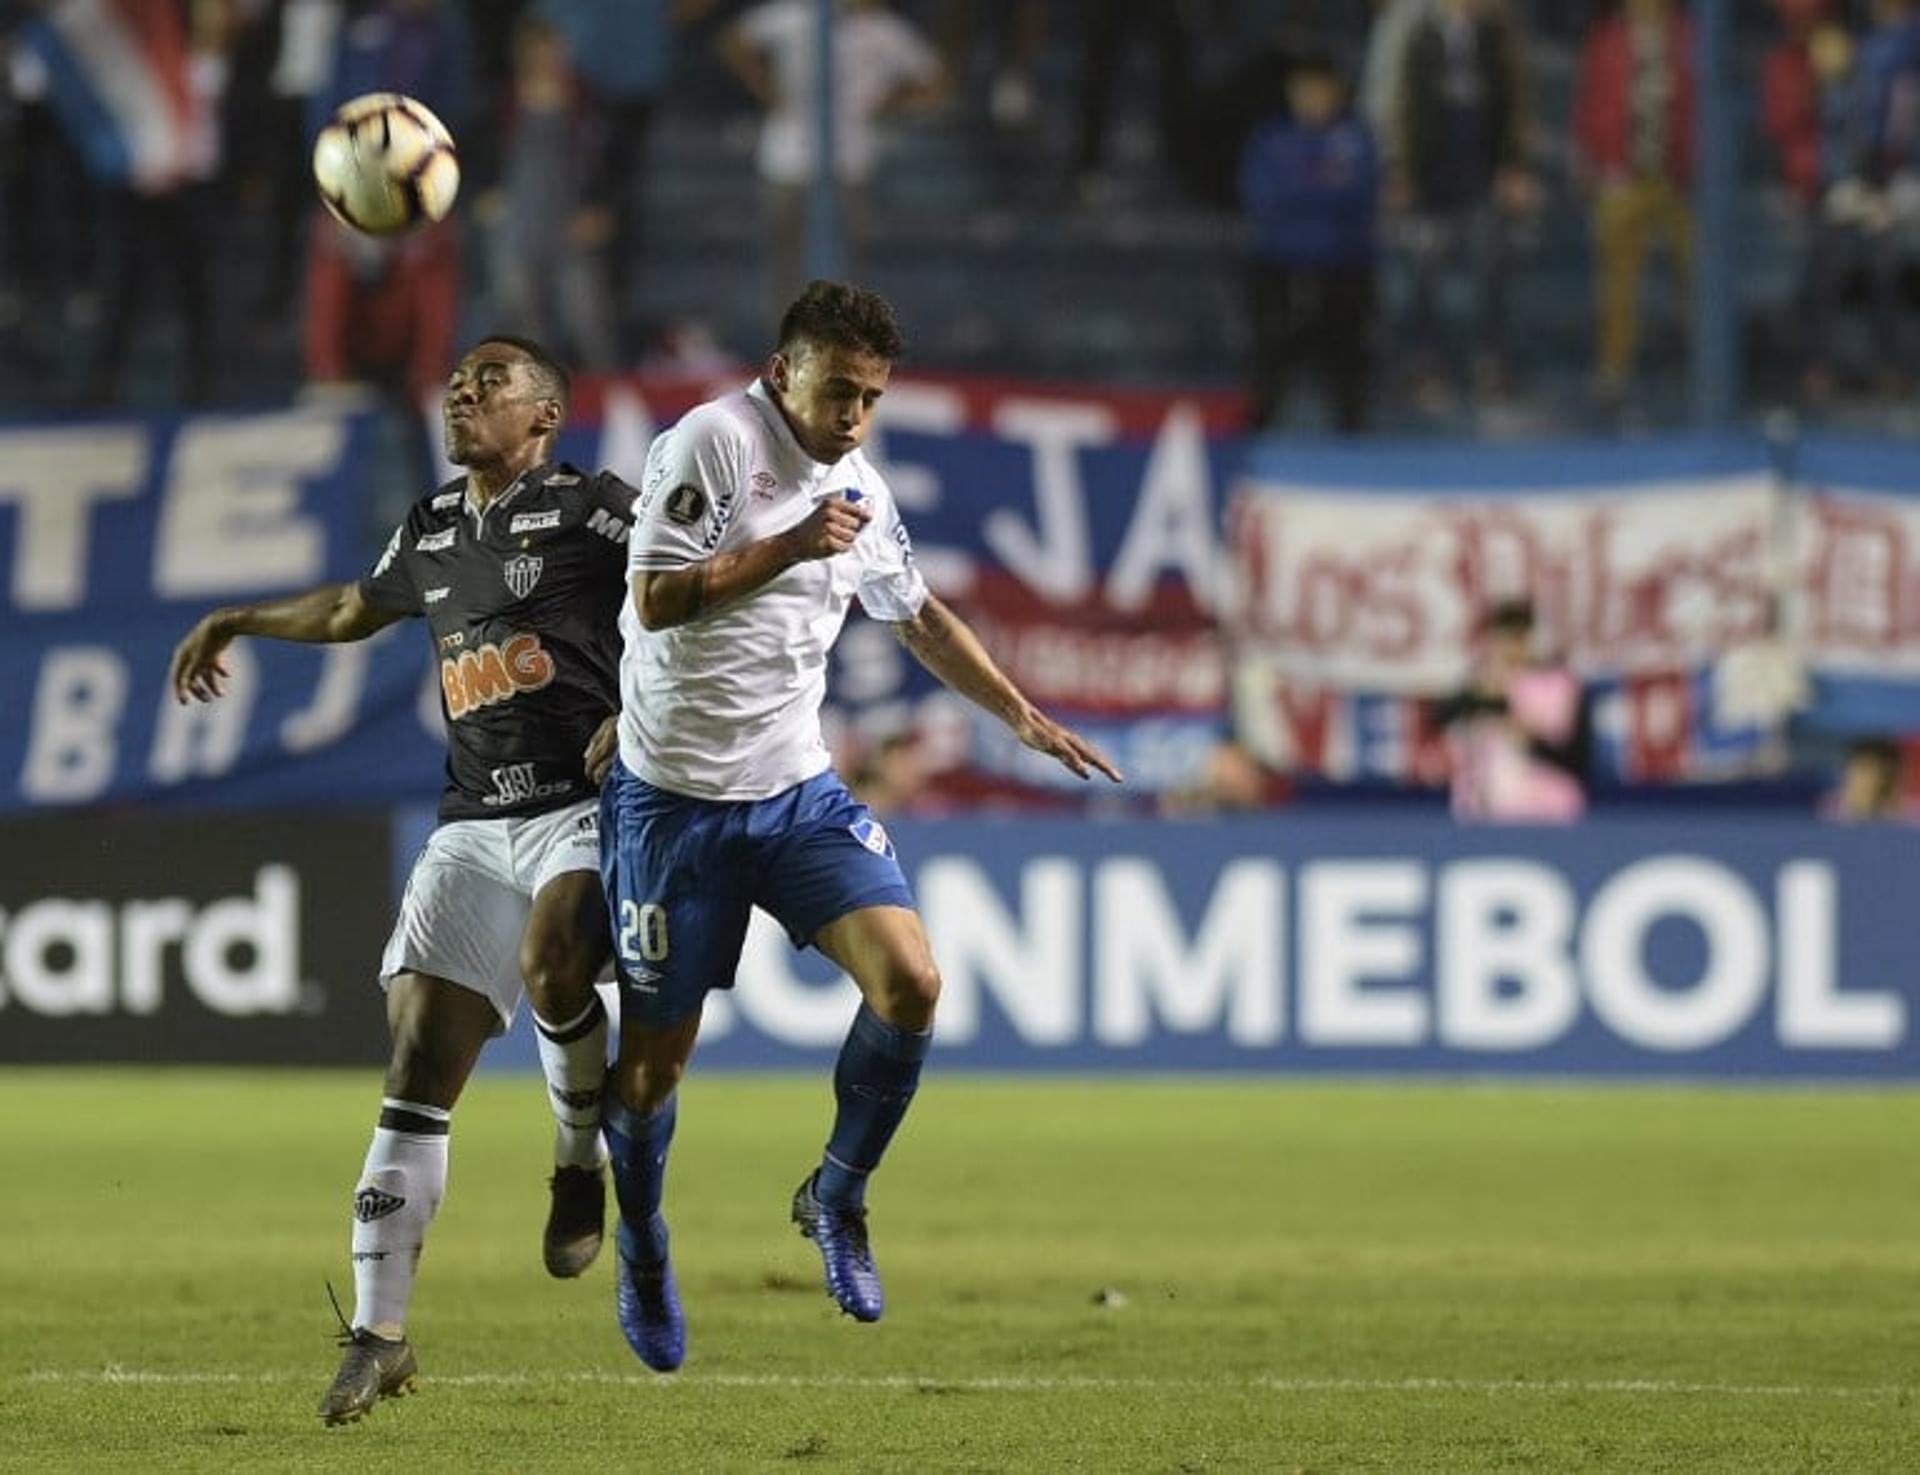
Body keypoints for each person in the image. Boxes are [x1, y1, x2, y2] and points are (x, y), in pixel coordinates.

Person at [599, 280, 1121, 1372]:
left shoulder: (860, 489)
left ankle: (835, 1195)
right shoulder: (714, 443)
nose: (853, 416)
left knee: (914, 983)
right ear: (784, 366)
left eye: (872, 398)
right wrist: (789, 544)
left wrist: (1021, 714)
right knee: (651, 1073)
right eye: (839, 389)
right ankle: (644, 1240)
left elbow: (918, 614)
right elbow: (652, 598)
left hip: (795, 789)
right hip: (673, 801)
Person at [168, 336, 637, 1424]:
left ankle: (578, 1157)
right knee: (417, 1056)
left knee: (557, 952)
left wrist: (640, 709)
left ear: (546, 418)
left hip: (583, 802)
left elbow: (684, 598)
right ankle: (380, 1332)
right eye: (460, 380)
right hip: (473, 820)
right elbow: (348, 610)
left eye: (494, 381)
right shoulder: (431, 524)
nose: (465, 391)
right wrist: (239, 617)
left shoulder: (593, 508)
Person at [718, 0, 946, 321]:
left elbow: (935, 82)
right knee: (786, 268)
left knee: (845, 272)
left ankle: (838, 352)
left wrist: (888, 104)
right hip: (787, 161)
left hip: (849, 164)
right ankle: (789, 352)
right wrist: (768, 90)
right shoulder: (797, 13)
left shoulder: (887, 31)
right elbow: (734, 39)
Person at [1239, 48, 1380, 433]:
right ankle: (1255, 458)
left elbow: (1360, 195)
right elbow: (1264, 200)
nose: (1314, 99)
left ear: (1337, 91)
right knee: (1271, 367)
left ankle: (1351, 459)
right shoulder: (1270, 138)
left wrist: (1301, 188)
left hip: (1344, 269)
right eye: (1305, 89)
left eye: (1322, 89)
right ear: (1291, 92)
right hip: (1280, 268)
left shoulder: (1356, 138)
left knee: (1347, 374)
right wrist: (1325, 185)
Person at [1432, 598, 1590, 822]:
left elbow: (1575, 754)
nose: (1510, 648)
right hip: (1481, 807)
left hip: (1547, 807)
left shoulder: (1557, 684)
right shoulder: (1477, 685)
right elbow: (1445, 721)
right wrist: (1490, 693)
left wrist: (1526, 732)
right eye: (1503, 639)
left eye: (1519, 639)